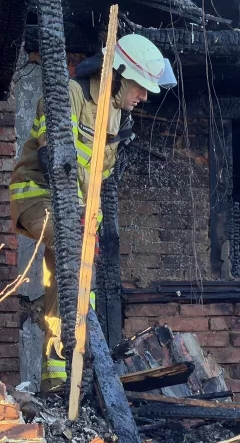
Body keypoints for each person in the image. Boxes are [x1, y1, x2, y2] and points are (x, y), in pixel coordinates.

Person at [9, 33, 175, 391]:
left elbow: (98, 179)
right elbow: (54, 160)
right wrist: (79, 215)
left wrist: (90, 220)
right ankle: (64, 377)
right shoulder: (69, 95)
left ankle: (64, 378)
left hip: (79, 214)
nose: (144, 97)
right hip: (39, 197)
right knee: (72, 262)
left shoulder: (118, 118)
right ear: (115, 74)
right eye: (139, 86)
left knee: (78, 285)